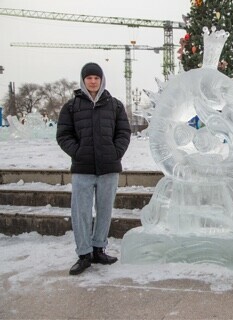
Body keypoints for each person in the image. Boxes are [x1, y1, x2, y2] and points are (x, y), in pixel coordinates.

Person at [57, 62, 131, 275]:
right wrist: (78, 151)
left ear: (101, 80)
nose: (92, 81)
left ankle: (99, 248)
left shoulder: (114, 105)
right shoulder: (72, 106)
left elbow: (123, 132)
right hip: (83, 168)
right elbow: (63, 134)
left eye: (96, 78)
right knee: (80, 212)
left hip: (109, 167)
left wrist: (115, 152)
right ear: (83, 80)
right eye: (88, 78)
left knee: (105, 210)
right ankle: (84, 254)